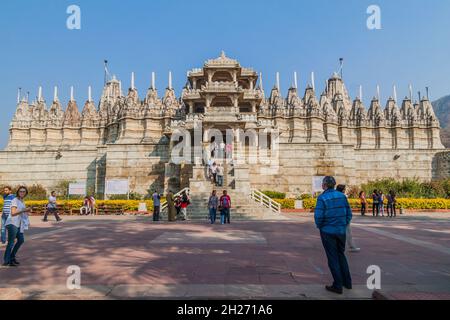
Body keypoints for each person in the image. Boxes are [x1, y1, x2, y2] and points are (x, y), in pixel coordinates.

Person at [314, 176, 352, 294]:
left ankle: (337, 285)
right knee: (341, 255)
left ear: (324, 185)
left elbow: (319, 216)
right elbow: (349, 214)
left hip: (328, 231)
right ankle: (347, 282)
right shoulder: (342, 196)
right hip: (341, 231)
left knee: (333, 258)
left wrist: (320, 226)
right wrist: (342, 224)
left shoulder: (322, 198)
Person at [3, 186, 31, 267]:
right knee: (11, 243)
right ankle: (7, 260)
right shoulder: (15, 200)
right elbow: (13, 213)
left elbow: (22, 212)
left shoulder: (22, 201)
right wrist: (24, 210)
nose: (22, 193)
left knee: (21, 240)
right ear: (18, 192)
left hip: (18, 224)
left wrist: (27, 212)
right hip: (12, 223)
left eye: (24, 191)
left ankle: (11, 257)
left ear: (26, 193)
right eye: (21, 191)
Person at [336, 185, 360, 253]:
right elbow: (347, 207)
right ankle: (351, 246)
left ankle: (338, 247)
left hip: (336, 217)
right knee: (348, 233)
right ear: (342, 190)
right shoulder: (342, 196)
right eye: (344, 189)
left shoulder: (334, 196)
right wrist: (349, 217)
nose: (345, 190)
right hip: (343, 217)